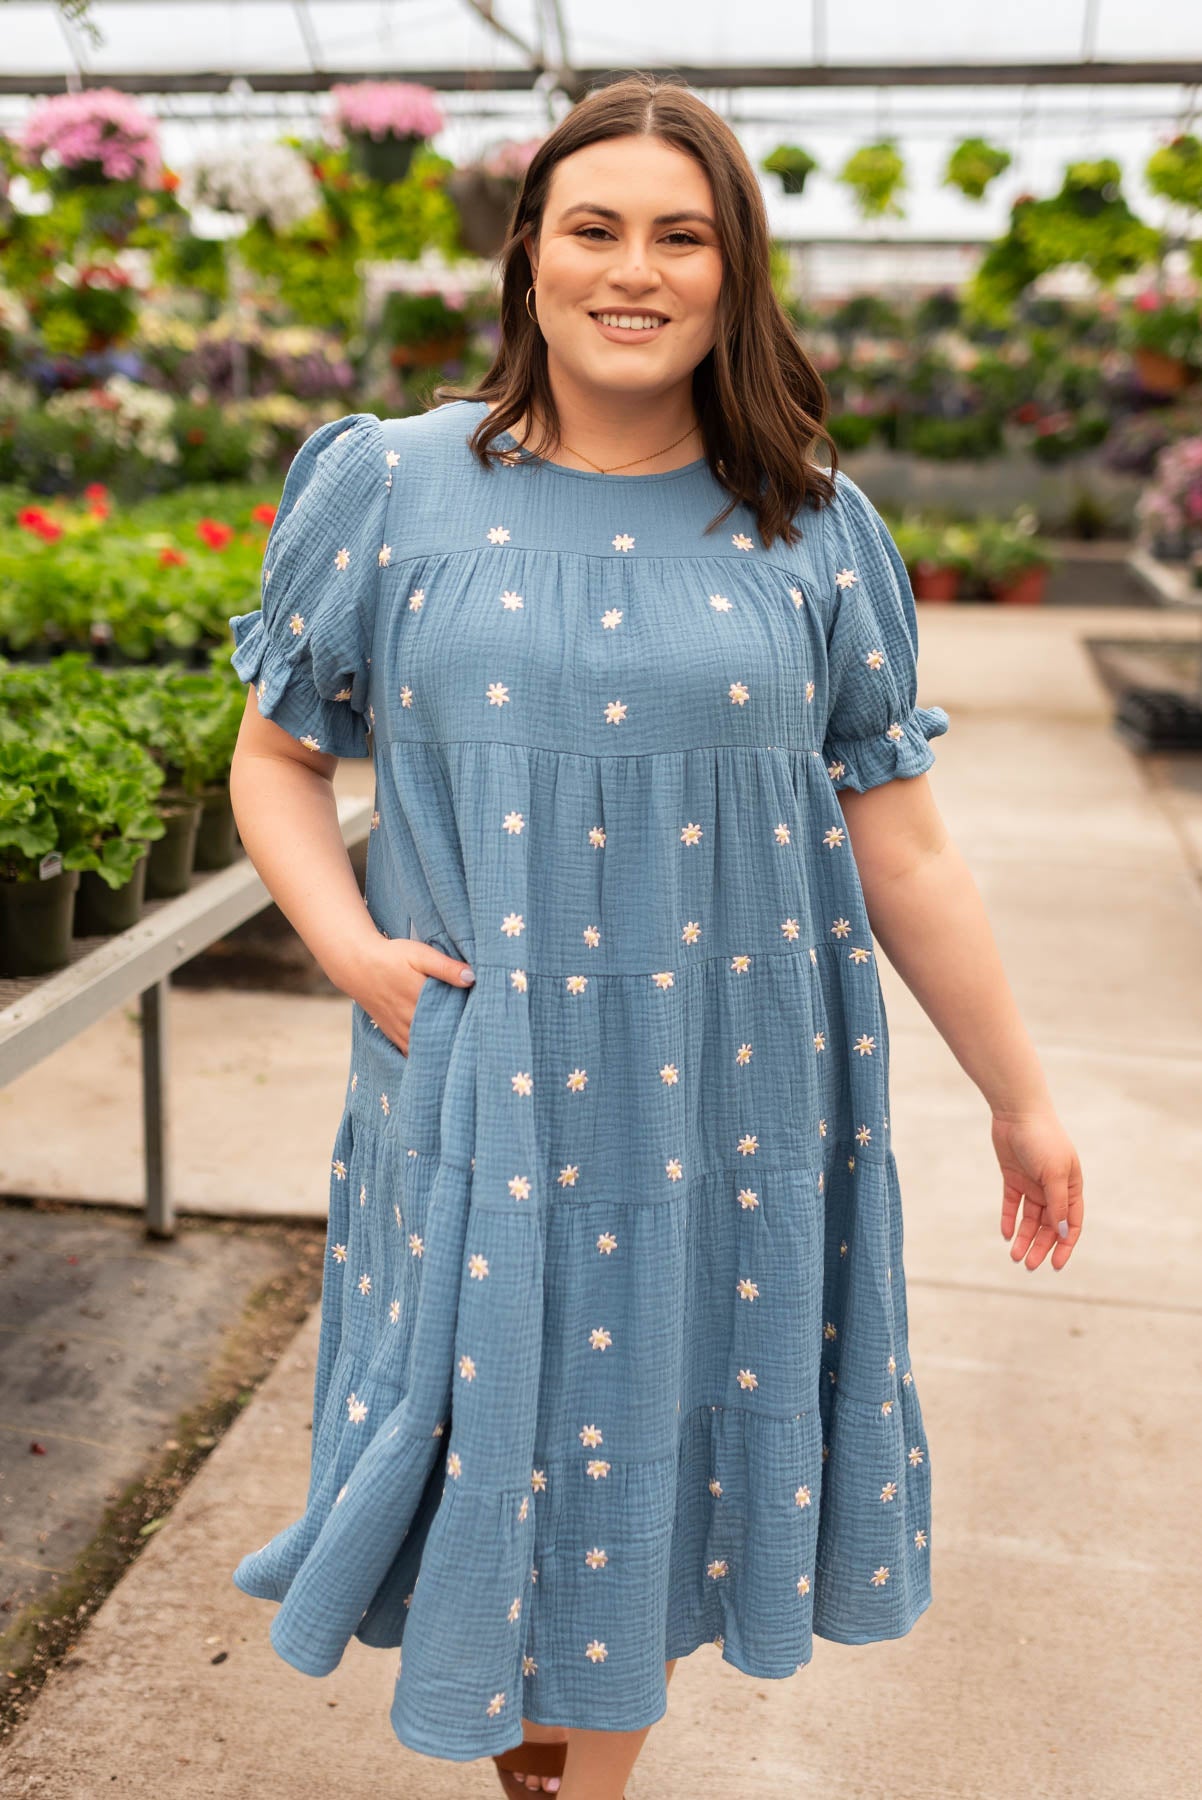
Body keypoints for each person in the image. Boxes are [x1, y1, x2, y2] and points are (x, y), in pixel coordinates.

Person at [226, 73, 1084, 1800]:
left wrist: (1019, 1097)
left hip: (731, 1102)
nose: (635, 270)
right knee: (505, 1452)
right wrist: (348, 947)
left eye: (679, 236)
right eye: (595, 228)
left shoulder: (813, 527)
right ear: (529, 253)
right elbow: (273, 755)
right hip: (481, 1084)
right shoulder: (387, 482)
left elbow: (900, 842)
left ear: (730, 273)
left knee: (630, 1479)